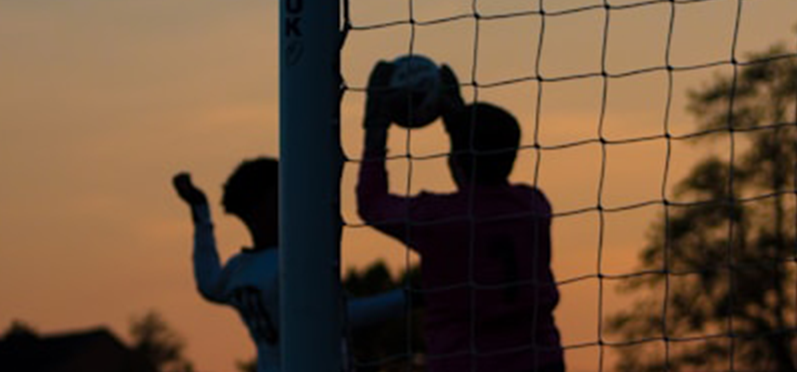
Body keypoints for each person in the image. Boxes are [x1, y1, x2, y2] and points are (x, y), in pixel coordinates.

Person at [357, 61, 565, 372]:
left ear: (455, 156)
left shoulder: (439, 219)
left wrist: (376, 126)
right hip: (539, 362)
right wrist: (459, 120)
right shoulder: (534, 207)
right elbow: (474, 180)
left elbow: (372, 203)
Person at [172, 157, 404, 372]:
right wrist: (410, 296)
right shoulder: (288, 266)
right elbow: (339, 317)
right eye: (282, 195)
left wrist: (200, 212)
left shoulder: (239, 271)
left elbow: (207, 282)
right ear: (261, 207)